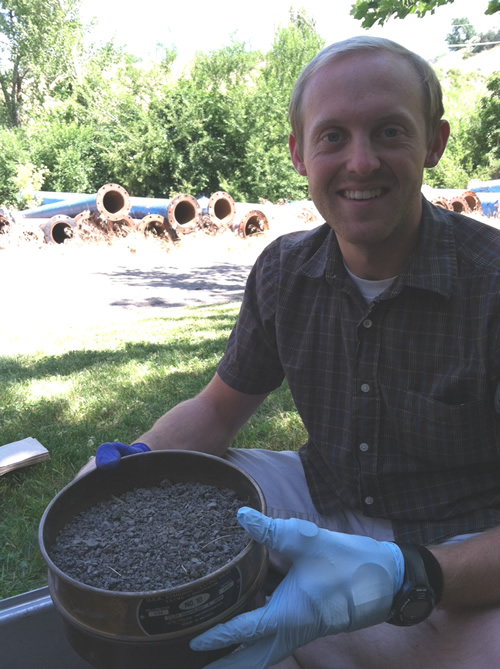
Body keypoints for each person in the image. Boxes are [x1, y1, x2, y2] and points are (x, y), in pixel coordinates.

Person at [80, 36, 500, 668]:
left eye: (389, 132)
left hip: (455, 544)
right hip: (318, 499)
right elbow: (218, 413)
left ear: (434, 143)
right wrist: (134, 459)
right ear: (300, 154)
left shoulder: (491, 283)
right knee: (128, 492)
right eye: (333, 137)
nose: (360, 163)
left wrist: (413, 573)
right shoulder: (284, 269)